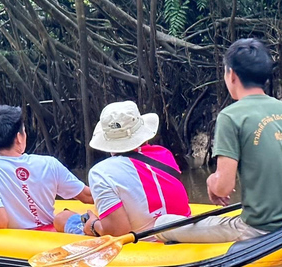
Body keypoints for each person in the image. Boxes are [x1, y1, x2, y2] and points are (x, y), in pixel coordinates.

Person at [154, 38, 282, 243]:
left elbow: (223, 187)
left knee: (162, 224)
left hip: (259, 230)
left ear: (231, 75)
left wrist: (211, 182)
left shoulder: (230, 117)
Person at [55, 100, 191, 237]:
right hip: (183, 234)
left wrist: (92, 225)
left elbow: (118, 232)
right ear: (144, 134)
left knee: (62, 218)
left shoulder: (100, 173)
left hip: (143, 242)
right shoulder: (164, 154)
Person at [0, 105, 93, 230]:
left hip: (20, 242)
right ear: (19, 138)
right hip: (52, 235)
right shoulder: (49, 163)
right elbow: (87, 196)